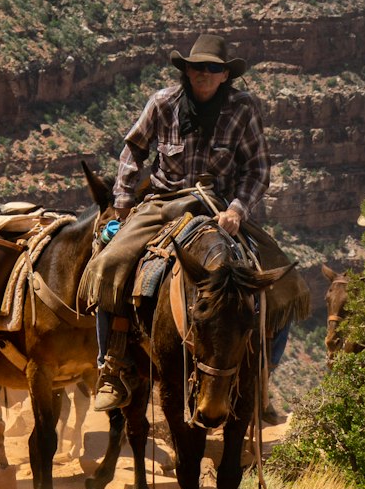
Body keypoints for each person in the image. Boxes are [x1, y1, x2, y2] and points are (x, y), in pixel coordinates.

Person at [82, 32, 271, 412]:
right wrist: (121, 200)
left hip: (218, 207)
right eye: (195, 67)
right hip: (163, 203)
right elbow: (134, 149)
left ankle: (258, 376)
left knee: (285, 286)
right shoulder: (163, 103)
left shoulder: (243, 109)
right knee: (107, 265)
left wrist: (237, 209)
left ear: (224, 76)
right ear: (185, 70)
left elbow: (257, 169)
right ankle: (112, 368)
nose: (202, 74)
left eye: (211, 68)